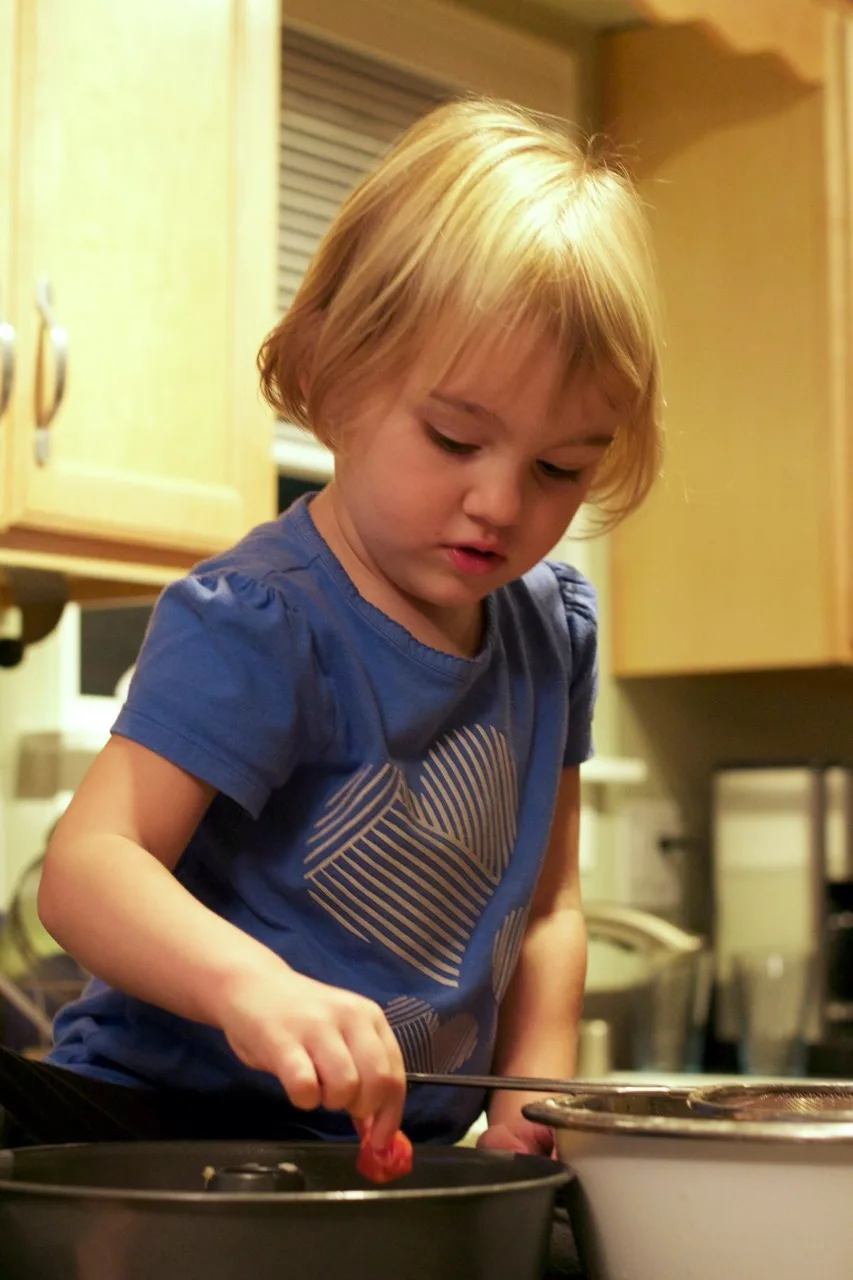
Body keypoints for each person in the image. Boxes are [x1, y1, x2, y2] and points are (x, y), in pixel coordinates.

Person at [0, 96, 661, 1187]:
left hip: (388, 1159)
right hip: (154, 1130)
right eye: (453, 436)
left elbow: (551, 908)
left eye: (559, 468)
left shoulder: (555, 628)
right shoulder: (261, 619)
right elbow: (85, 868)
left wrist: (531, 1101)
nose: (499, 501)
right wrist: (254, 986)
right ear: (337, 374)